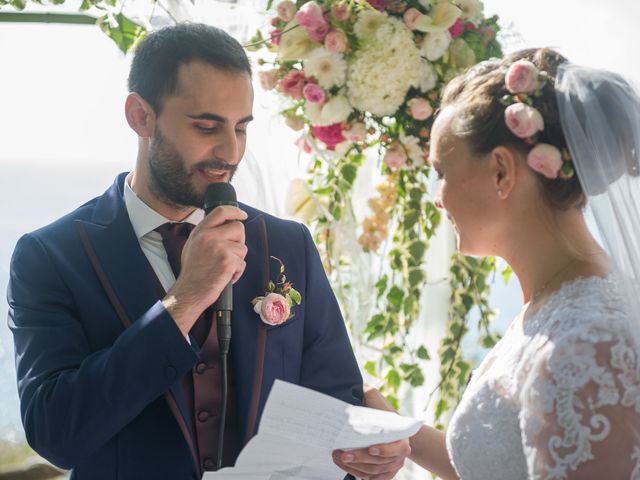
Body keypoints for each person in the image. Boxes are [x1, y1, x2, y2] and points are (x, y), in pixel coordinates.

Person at [6, 23, 394, 480]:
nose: (230, 151)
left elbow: (336, 405)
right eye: (207, 126)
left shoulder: (288, 245)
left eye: (241, 128)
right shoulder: (50, 256)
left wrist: (368, 453)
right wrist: (184, 299)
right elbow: (56, 435)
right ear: (140, 116)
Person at [333, 48, 640, 479]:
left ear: (501, 172)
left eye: (442, 171)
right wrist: (398, 429)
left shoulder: (584, 345)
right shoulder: (558, 303)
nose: (437, 197)